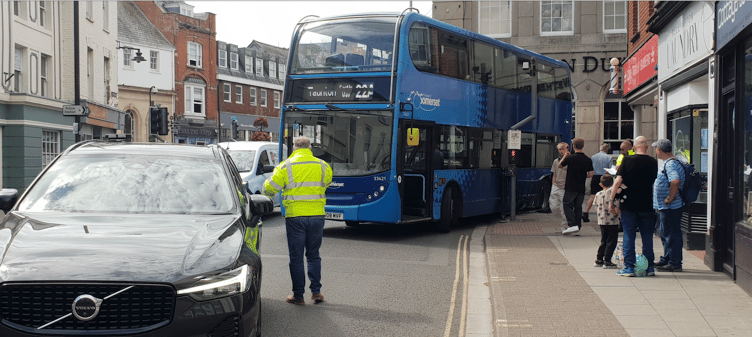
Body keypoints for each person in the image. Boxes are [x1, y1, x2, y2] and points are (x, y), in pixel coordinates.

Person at [263, 137, 333, 305]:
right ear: (310, 148)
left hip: (295, 217)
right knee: (313, 255)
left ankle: (298, 296)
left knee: (296, 258)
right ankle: (316, 292)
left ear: (294, 148)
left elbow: (269, 189)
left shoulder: (286, 166)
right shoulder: (323, 165)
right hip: (317, 216)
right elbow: (327, 183)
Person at [609, 136, 657, 277]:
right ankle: (649, 268)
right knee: (647, 237)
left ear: (634, 147)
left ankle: (629, 268)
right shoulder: (653, 162)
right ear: (647, 147)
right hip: (647, 204)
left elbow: (618, 181)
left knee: (629, 236)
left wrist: (611, 200)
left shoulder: (627, 160)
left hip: (629, 204)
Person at [653, 139, 685, 272]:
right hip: (667, 207)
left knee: (671, 234)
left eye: (656, 149)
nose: (656, 152)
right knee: (667, 233)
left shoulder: (670, 164)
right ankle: (667, 258)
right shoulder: (672, 162)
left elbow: (675, 180)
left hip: (670, 207)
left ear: (659, 150)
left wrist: (670, 198)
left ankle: (674, 262)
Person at [559, 138, 594, 235]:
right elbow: (591, 174)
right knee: (578, 207)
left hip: (570, 186)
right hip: (581, 187)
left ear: (574, 146)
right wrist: (582, 175)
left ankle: (572, 225)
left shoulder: (571, 158)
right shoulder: (588, 159)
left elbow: (560, 166)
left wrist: (565, 156)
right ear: (583, 146)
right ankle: (578, 226)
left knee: (567, 204)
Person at [594, 175, 620, 269]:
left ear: (601, 184)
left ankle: (599, 259)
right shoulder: (613, 194)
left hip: (602, 220)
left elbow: (596, 207)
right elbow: (616, 208)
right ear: (613, 184)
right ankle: (607, 260)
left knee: (603, 240)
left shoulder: (598, 194)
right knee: (611, 241)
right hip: (612, 221)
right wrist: (619, 215)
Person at [584, 143, 612, 222]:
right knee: (606, 196)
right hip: (604, 178)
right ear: (607, 149)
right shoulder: (608, 157)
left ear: (600, 149)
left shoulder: (593, 157)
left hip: (595, 177)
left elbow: (590, 168)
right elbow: (609, 170)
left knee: (592, 196)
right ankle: (604, 213)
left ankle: (585, 213)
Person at [549, 142, 570, 230]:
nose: (561, 151)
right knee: (553, 206)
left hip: (565, 187)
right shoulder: (556, 161)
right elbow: (554, 173)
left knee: (563, 209)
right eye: (559, 149)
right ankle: (563, 220)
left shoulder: (569, 160)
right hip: (556, 185)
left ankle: (564, 226)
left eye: (562, 149)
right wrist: (553, 184)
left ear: (567, 149)